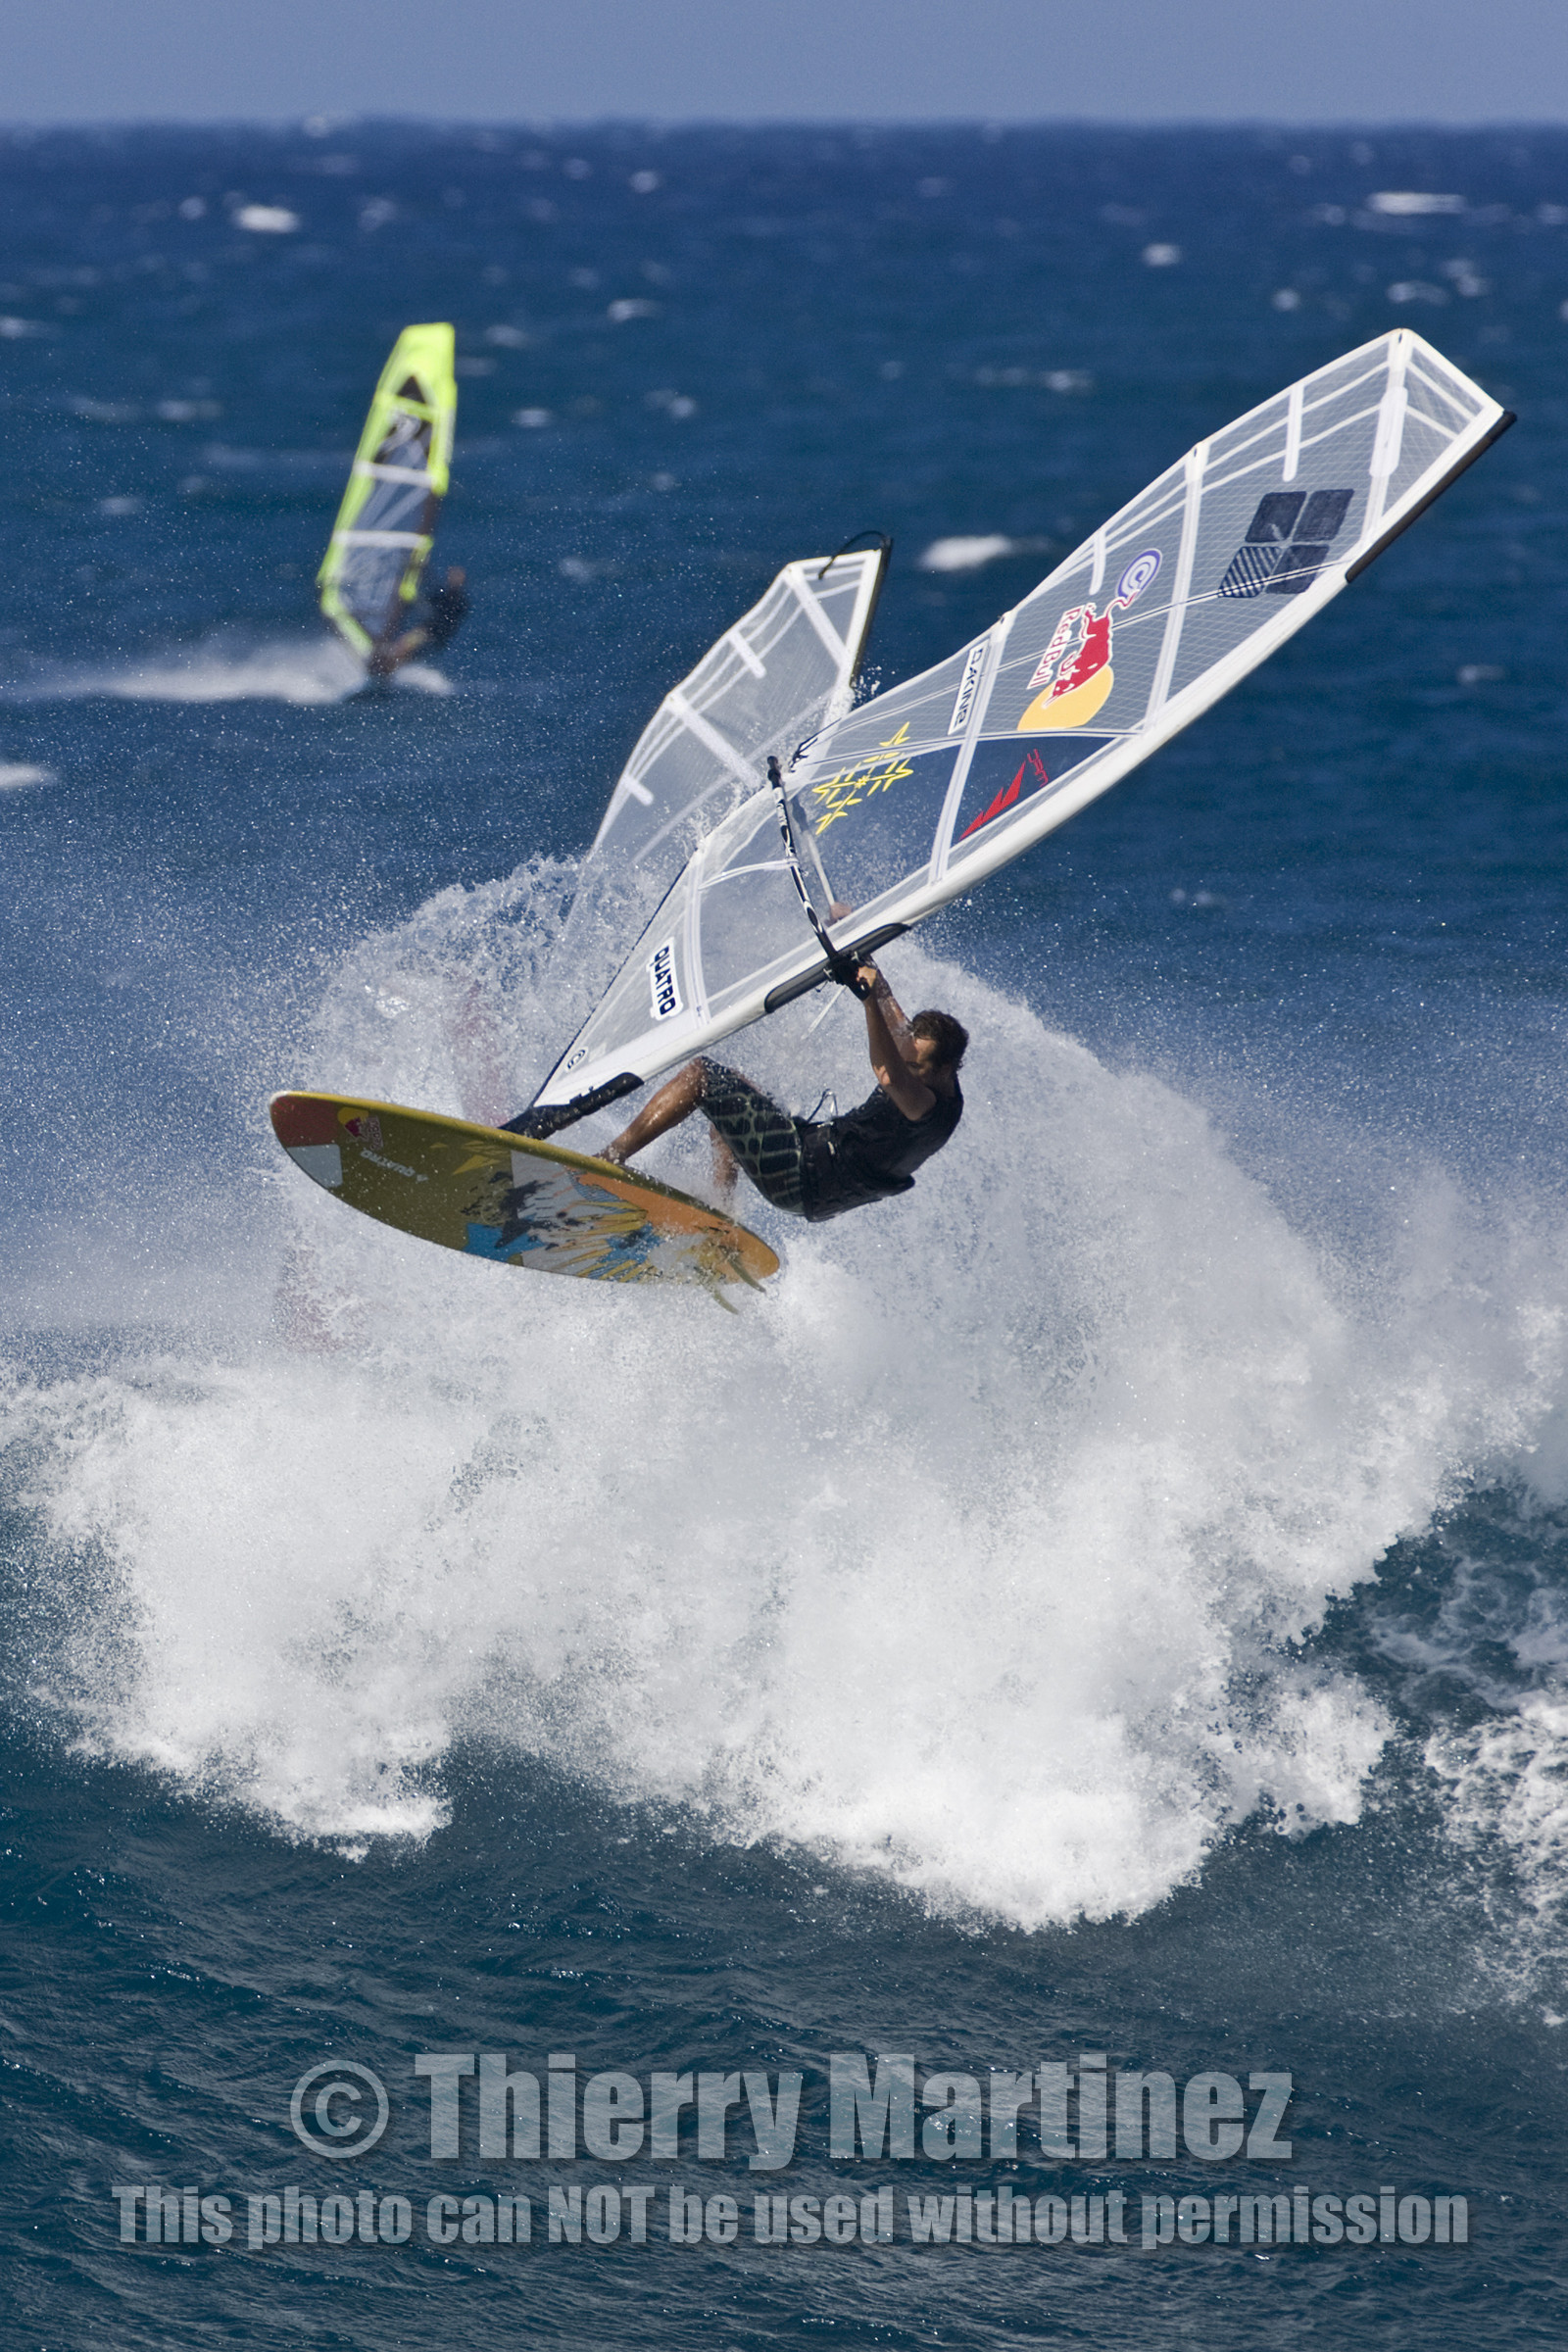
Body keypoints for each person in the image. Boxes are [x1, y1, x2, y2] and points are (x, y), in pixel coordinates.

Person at [600, 964, 967, 1222]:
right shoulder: (935, 1071)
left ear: (945, 1068)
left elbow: (888, 1075)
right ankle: (722, 1214)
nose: (908, 1069)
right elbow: (889, 1005)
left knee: (702, 1077)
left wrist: (867, 1002)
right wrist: (855, 944)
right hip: (815, 1176)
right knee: (734, 1097)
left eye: (915, 1067)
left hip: (801, 1175)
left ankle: (609, 1160)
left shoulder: (928, 1108)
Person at [367, 565, 470, 677]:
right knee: (404, 650)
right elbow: (428, 600)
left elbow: (446, 618)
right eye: (452, 575)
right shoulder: (443, 594)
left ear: (462, 581)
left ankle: (383, 670)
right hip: (432, 632)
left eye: (456, 576)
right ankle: (385, 670)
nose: (452, 578)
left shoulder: (459, 600)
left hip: (433, 633)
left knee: (403, 646)